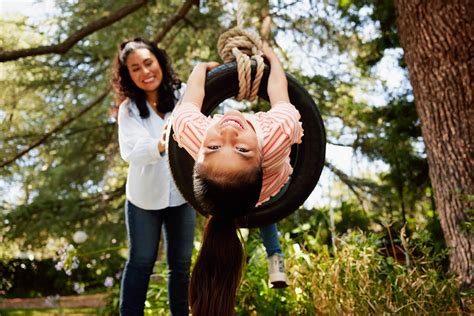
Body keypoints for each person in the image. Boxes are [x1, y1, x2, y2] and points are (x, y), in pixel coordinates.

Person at [172, 42, 303, 315]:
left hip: (252, 186)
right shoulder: (277, 134)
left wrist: (202, 69)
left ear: (197, 159)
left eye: (214, 148)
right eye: (242, 150)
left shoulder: (193, 131)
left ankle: (225, 214)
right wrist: (273, 59)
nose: (228, 134)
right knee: (259, 203)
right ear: (261, 163)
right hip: (272, 187)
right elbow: (279, 91)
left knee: (224, 203)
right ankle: (273, 251)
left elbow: (193, 94)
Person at [111, 38, 195, 316]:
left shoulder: (183, 93)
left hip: (182, 194)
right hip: (143, 200)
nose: (145, 72)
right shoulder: (129, 110)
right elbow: (131, 152)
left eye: (148, 63)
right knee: (141, 261)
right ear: (128, 76)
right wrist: (162, 143)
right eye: (135, 68)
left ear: (159, 61)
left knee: (181, 265)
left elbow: (199, 116)